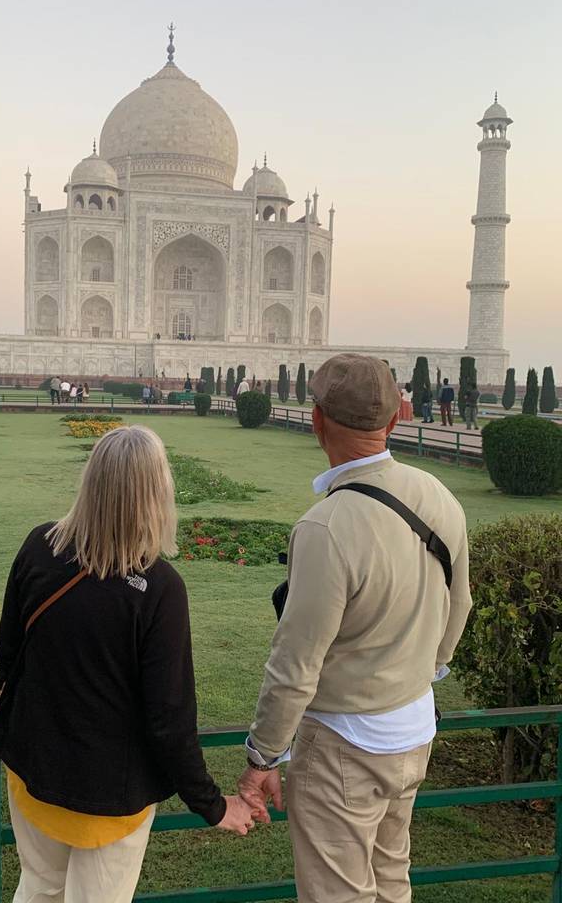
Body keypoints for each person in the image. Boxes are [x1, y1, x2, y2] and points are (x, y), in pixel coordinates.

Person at [238, 353, 471, 903]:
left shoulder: (327, 527)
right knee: (391, 882)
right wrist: (413, 674)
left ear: (316, 421)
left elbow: (296, 665)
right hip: (414, 732)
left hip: (346, 744)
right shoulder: (437, 495)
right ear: (394, 420)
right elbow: (458, 605)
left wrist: (261, 759)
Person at [0, 426, 256, 903]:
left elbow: (9, 654)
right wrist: (214, 807)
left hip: (33, 764)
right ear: (157, 494)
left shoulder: (39, 546)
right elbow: (170, 719)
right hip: (111, 794)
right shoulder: (158, 589)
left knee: (39, 888)